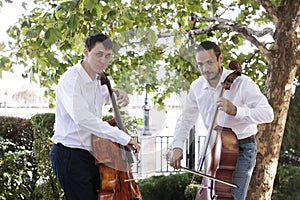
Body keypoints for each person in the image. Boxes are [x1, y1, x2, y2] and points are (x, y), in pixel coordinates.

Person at [169, 41, 274, 200]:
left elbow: (268, 114)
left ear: (220, 59)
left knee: (231, 197)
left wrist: (237, 111)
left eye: (209, 62)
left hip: (241, 148)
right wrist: (177, 146)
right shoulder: (197, 87)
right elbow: (186, 119)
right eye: (200, 64)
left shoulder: (241, 82)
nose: (205, 69)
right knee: (210, 195)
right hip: (214, 148)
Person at [50, 33, 140, 200]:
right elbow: (83, 118)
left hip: (91, 156)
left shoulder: (97, 80)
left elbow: (106, 97)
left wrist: (119, 94)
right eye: (99, 54)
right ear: (86, 52)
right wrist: (123, 137)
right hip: (70, 154)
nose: (103, 60)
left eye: (107, 56)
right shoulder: (71, 80)